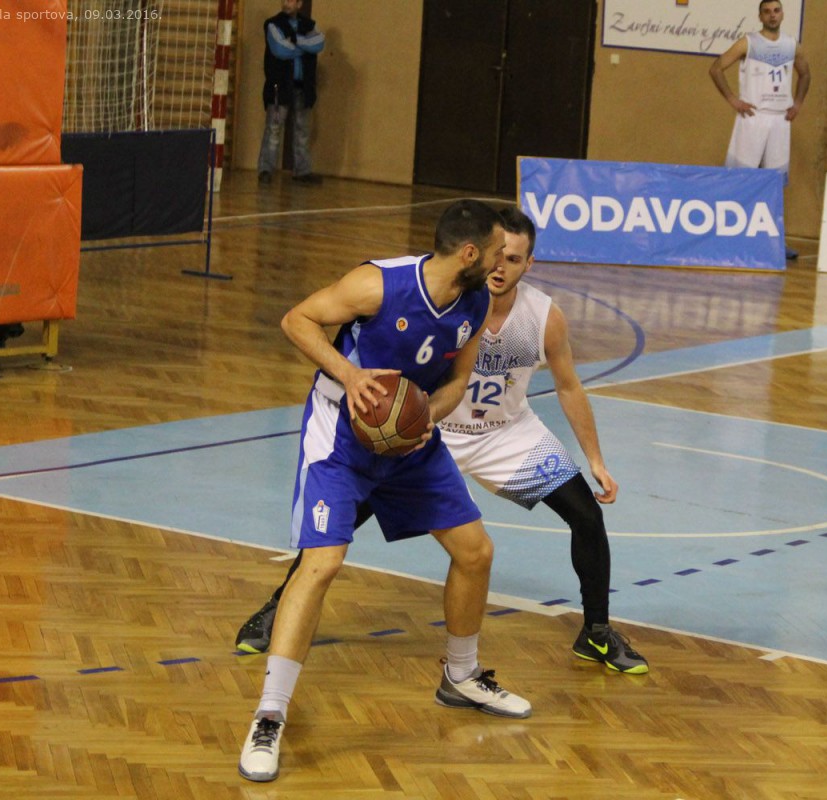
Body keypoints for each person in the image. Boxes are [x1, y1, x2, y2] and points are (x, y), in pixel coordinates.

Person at [234, 207, 649, 675]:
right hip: (430, 431)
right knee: (335, 528)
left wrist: (595, 459)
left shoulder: (540, 317)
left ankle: (595, 631)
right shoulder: (438, 294)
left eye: (513, 260)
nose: (501, 267)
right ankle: (278, 607)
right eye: (498, 255)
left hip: (505, 435)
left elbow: (569, 387)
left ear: (529, 264)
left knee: (585, 514)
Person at [238, 200, 531, 784]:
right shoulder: (378, 284)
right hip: (340, 438)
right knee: (321, 565)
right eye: (498, 253)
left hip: (411, 442)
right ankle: (269, 715)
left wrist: (425, 419)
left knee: (475, 552)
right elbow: (297, 320)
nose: (504, 264)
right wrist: (349, 376)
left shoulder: (476, 301)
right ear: (469, 253)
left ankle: (461, 677)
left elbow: (457, 381)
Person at [709, 0, 810, 261]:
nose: (772, 15)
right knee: (739, 179)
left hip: (780, 120)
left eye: (776, 11)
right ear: (760, 16)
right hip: (753, 117)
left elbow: (805, 74)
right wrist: (733, 100)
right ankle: (727, 237)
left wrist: (797, 103)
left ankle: (773, 241)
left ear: (782, 14)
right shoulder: (748, 42)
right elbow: (716, 68)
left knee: (775, 183)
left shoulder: (791, 44)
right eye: (767, 11)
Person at [257, 0, 324, 185]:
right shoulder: (272, 24)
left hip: (303, 87)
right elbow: (280, 49)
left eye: (291, 0)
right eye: (284, 0)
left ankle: (302, 171)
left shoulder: (309, 25)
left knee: (302, 130)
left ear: (299, 4)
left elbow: (319, 43)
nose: (286, 3)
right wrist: (304, 47)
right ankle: (265, 170)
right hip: (280, 87)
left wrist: (294, 40)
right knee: (274, 129)